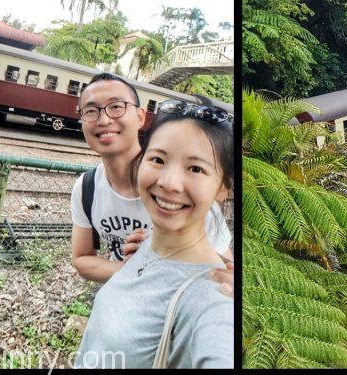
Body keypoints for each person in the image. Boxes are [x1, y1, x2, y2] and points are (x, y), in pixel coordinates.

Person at [75, 99, 233, 368]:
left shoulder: (215, 299)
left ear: (222, 189)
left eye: (196, 168)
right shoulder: (146, 245)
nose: (169, 183)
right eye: (158, 159)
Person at [69, 73, 233, 297]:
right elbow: (81, 258)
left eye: (116, 107)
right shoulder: (86, 187)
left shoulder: (186, 196)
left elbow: (224, 268)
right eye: (90, 110)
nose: (104, 119)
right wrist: (135, 271)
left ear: (140, 117)